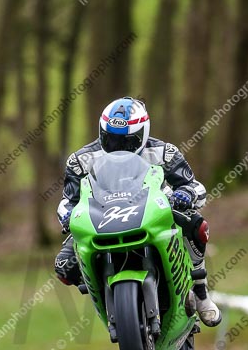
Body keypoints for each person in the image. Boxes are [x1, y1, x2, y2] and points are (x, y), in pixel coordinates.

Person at [54, 96, 221, 326]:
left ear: (143, 134)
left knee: (197, 225)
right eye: (111, 140)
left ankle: (201, 292)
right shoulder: (80, 160)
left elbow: (195, 186)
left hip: (154, 211)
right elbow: (67, 201)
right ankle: (101, 288)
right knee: (64, 266)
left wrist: (186, 195)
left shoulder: (165, 152)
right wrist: (67, 215)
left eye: (127, 141)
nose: (118, 147)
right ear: (101, 132)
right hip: (100, 216)